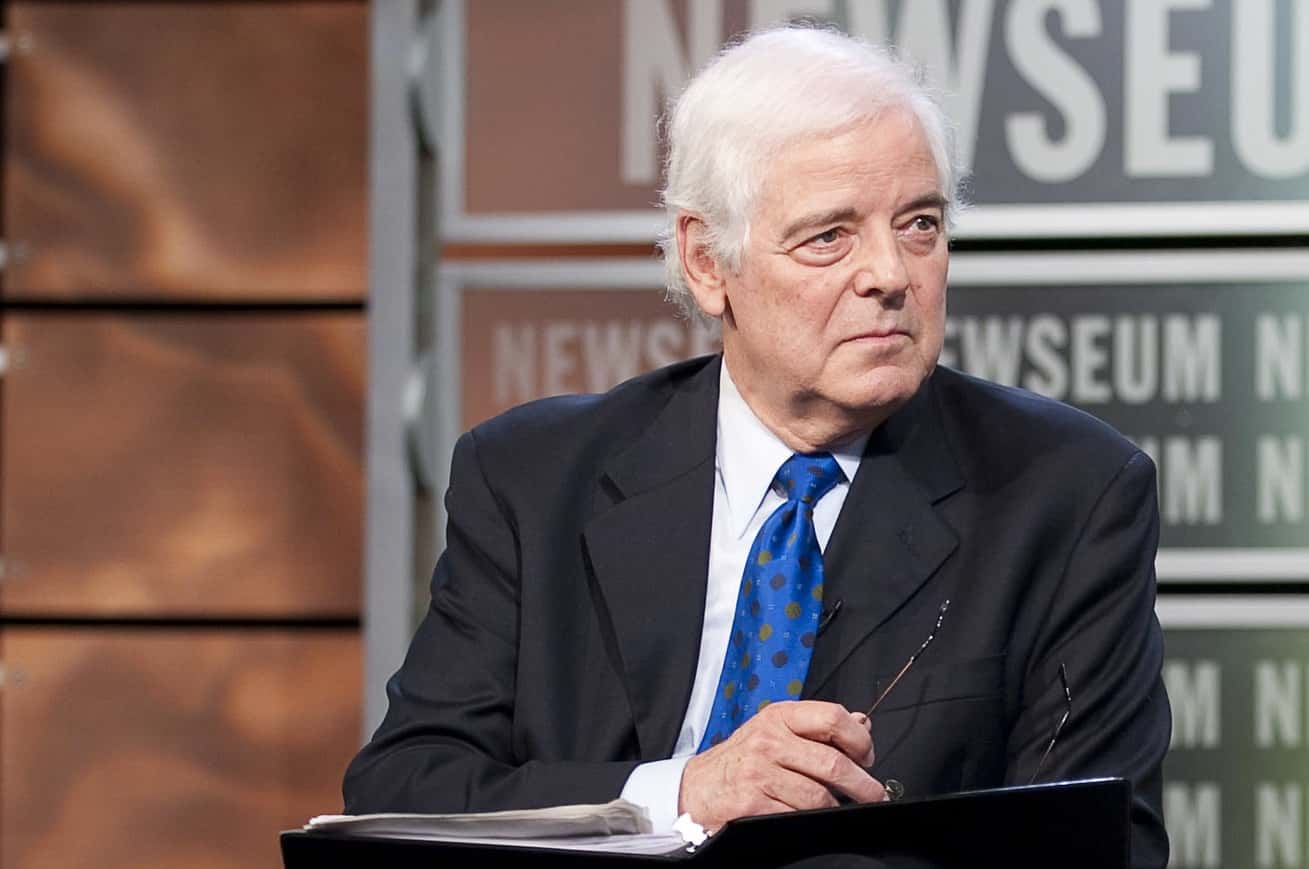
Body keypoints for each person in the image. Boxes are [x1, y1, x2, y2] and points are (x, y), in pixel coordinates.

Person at [344, 25, 1170, 868]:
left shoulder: (1063, 493)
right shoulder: (534, 478)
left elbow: (1098, 844)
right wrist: (681, 793)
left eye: (919, 224)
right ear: (708, 262)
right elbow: (404, 791)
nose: (890, 272)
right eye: (829, 236)